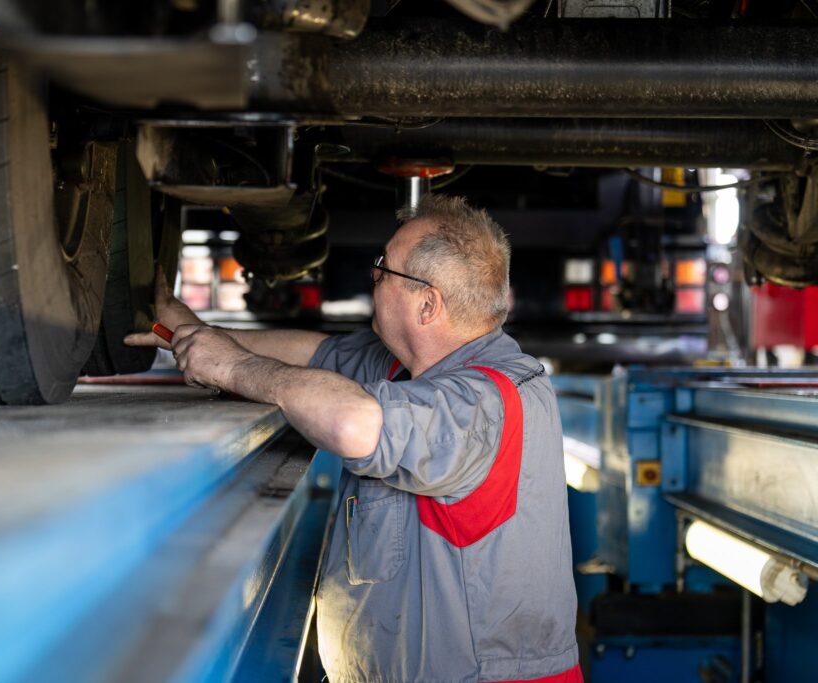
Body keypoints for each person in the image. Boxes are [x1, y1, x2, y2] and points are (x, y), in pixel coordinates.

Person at [124, 194, 581, 683]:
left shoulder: (482, 403)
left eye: (385, 268)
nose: (374, 275)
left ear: (428, 305)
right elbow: (316, 355)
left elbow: (353, 424)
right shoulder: (414, 366)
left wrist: (234, 368)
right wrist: (193, 332)